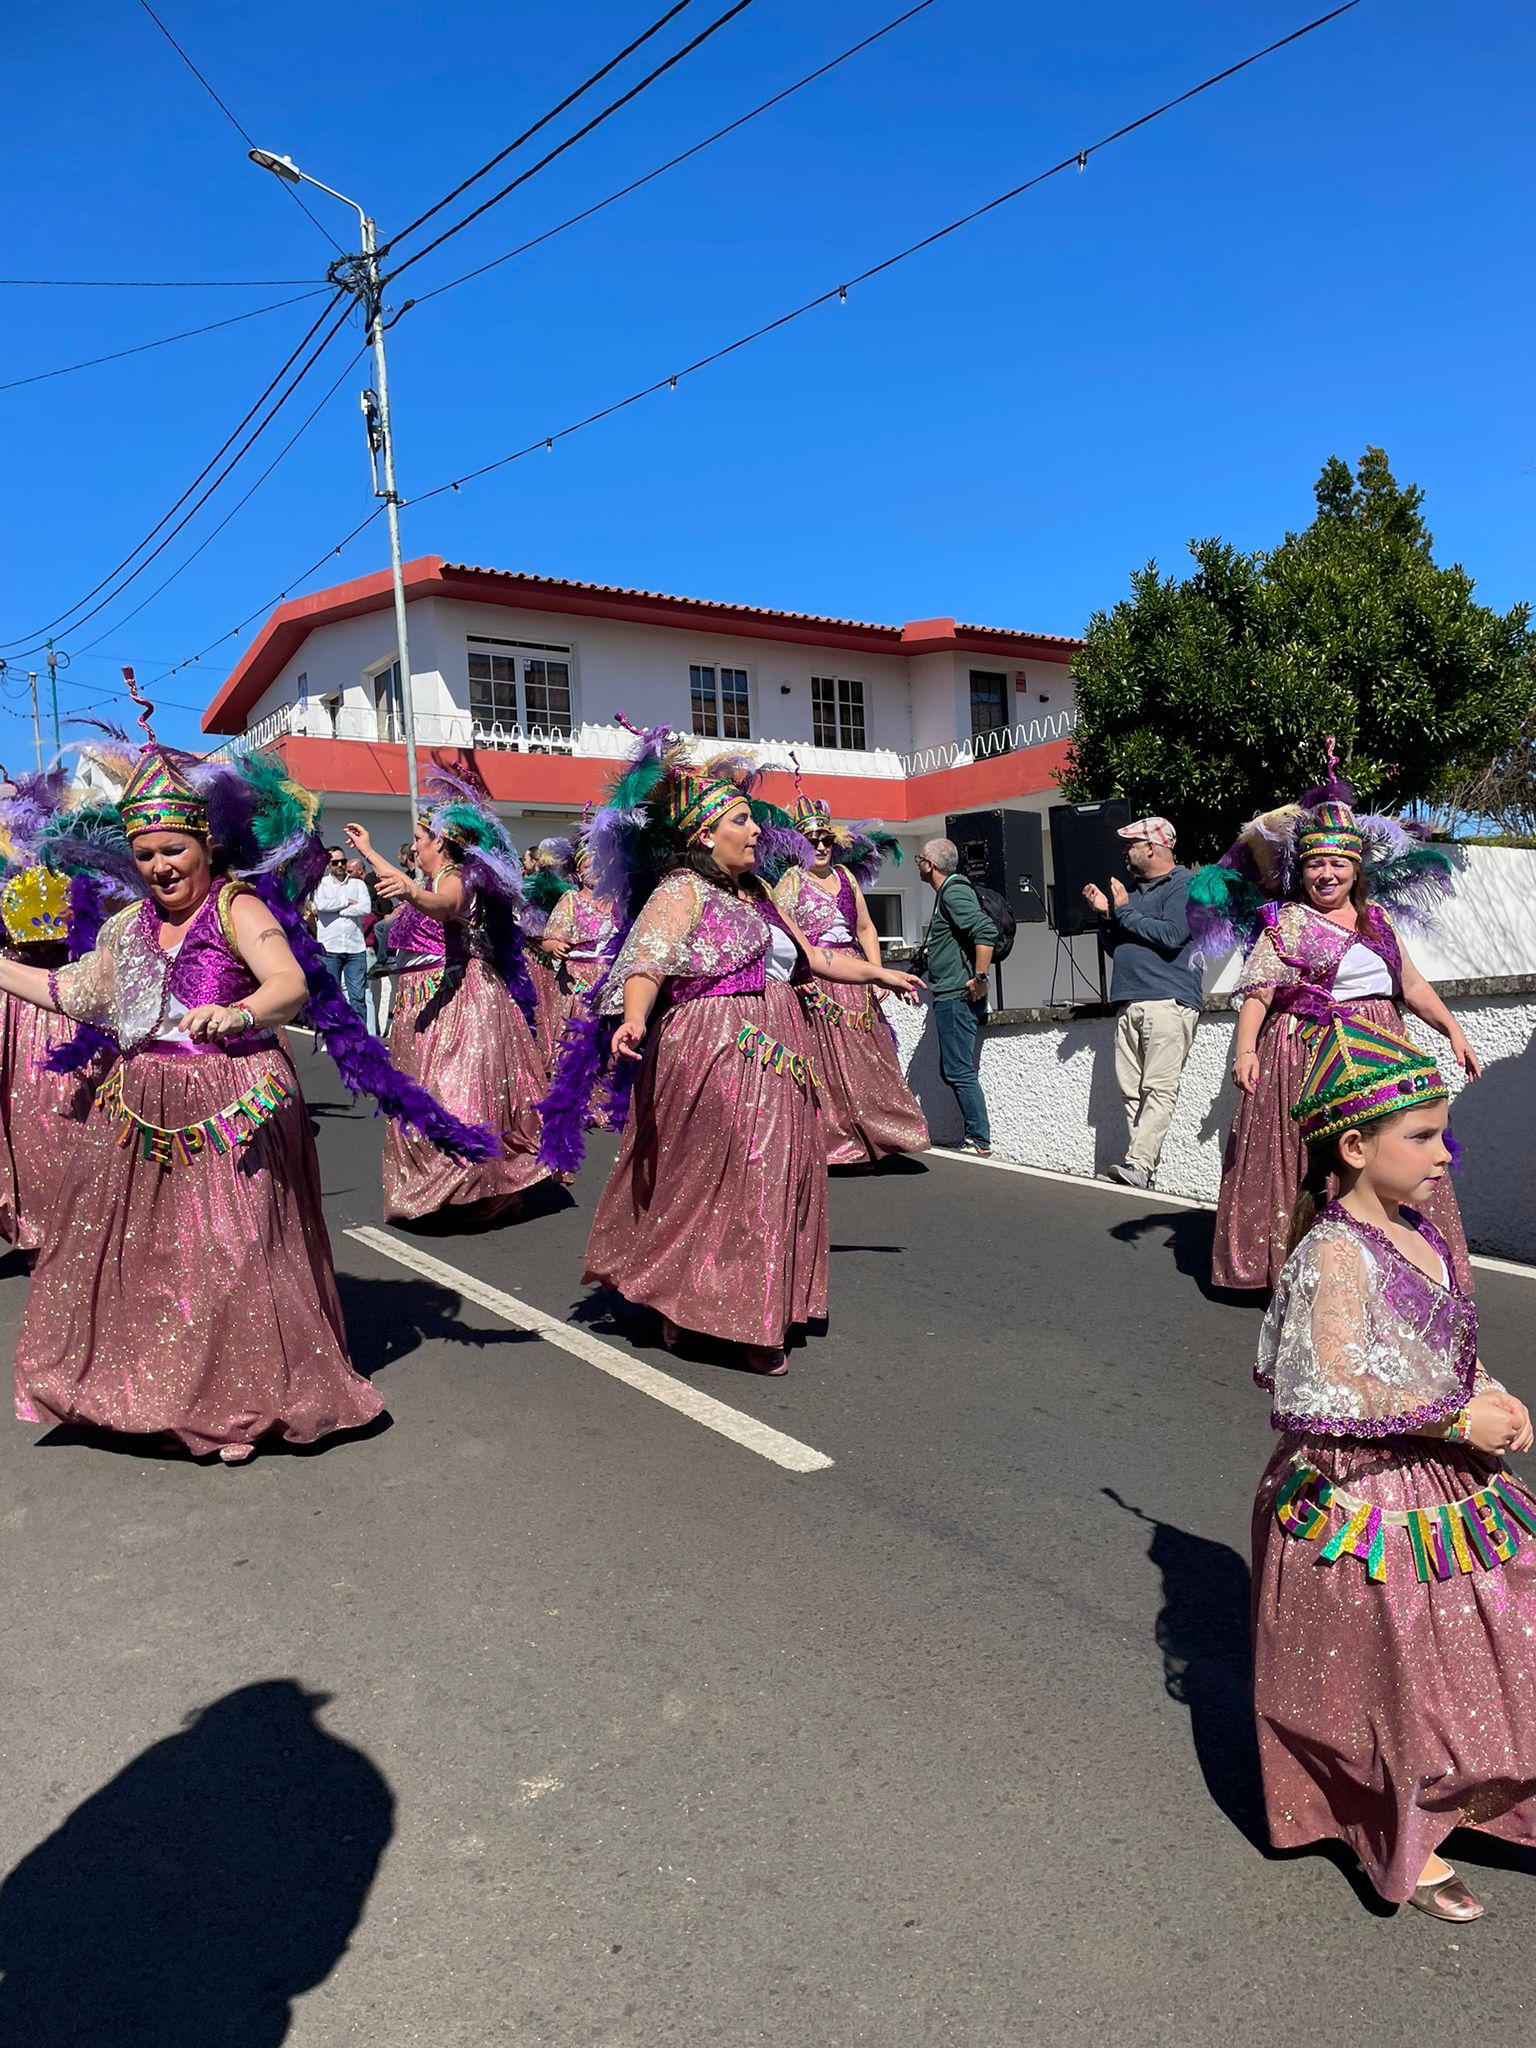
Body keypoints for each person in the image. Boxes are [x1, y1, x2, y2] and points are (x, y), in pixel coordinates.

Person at [1250, 1015, 1536, 1920]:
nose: (1444, 1151)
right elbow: (1319, 1395)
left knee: (1503, 1629)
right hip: (1365, 1493)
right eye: (1422, 1135)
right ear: (1354, 1144)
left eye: (1443, 1131)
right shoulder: (1332, 1255)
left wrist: (1492, 1391)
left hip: (1448, 1477)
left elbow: (1441, 1351)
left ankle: (1488, 1791)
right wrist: (1459, 1418)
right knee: (1403, 1671)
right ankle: (1407, 1837)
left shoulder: (1424, 1234)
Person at [541, 731, 923, 1375]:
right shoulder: (681, 891)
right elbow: (646, 962)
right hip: (711, 1042)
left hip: (781, 1047)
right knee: (731, 1172)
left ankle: (744, 1306)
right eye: (741, 820)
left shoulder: (765, 895)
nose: (756, 831)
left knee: (777, 1170)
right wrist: (633, 1019)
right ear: (705, 832)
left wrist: (880, 974)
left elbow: (818, 959)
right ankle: (706, 1310)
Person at [1192, 760, 1473, 1292]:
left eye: (1338, 864)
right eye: (1316, 864)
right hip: (1303, 1048)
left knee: (1384, 1151)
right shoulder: (1287, 921)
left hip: (1379, 1048)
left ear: (1355, 869)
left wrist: (1452, 1031)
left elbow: (1410, 985)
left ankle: (1394, 1257)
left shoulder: (1379, 922)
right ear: (1302, 871)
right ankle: (1307, 1267)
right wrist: (1245, 1051)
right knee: (1312, 1157)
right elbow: (1259, 993)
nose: (1327, 874)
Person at [346, 771, 549, 1224]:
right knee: (426, 1093)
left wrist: (412, 890)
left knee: (456, 1095)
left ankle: (487, 1188)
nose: (414, 846)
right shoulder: (434, 877)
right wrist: (370, 853)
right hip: (426, 1000)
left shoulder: (458, 877)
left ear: (440, 843)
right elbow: (414, 888)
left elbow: (447, 906)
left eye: (420, 839)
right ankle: (459, 1188)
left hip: (461, 999)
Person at [773, 794, 927, 1167]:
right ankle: (834, 1144)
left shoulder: (845, 878)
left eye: (826, 839)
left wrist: (878, 977)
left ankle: (882, 1136)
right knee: (824, 1062)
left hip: (856, 981)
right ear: (799, 846)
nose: (821, 846)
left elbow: (866, 927)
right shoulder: (790, 883)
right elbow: (785, 937)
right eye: (812, 841)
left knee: (869, 1059)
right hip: (817, 983)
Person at [0, 862, 115, 1251]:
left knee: (71, 1117)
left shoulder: (94, 877)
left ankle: (74, 1231)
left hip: (74, 997)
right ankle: (47, 1231)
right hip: (17, 1001)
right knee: (31, 1122)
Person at [1082, 816, 1201, 1191]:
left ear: (1151, 847)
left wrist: (1122, 910)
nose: (1125, 853)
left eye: (1131, 845)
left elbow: (1171, 935)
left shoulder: (1185, 886)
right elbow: (1117, 948)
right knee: (1131, 1090)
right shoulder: (1130, 894)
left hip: (1168, 1000)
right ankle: (1140, 1166)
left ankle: (1139, 1163)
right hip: (1130, 1001)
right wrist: (1106, 916)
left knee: (1158, 1088)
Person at [916, 838, 996, 1157]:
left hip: (956, 996)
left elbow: (985, 931)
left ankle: (979, 1139)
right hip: (950, 994)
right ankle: (975, 1136)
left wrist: (979, 978)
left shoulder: (954, 891)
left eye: (919, 858)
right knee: (953, 1069)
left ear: (930, 865)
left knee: (958, 1070)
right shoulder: (948, 892)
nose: (918, 864)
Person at [540, 838, 618, 1091]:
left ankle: (605, 1093)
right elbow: (549, 939)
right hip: (578, 982)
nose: (594, 870)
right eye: (588, 865)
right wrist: (556, 946)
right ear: (578, 871)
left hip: (610, 981)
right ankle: (575, 1093)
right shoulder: (572, 900)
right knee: (579, 1037)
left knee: (607, 1038)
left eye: (600, 865)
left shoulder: (619, 902)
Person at [311, 844, 370, 1024]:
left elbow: (366, 908)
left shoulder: (358, 884)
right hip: (330, 948)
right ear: (328, 864)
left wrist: (341, 911)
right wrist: (346, 902)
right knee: (332, 995)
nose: (340, 865)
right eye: (335, 862)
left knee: (358, 996)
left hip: (355, 948)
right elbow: (321, 905)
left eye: (342, 861)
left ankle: (361, 1036)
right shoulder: (321, 884)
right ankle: (337, 1035)